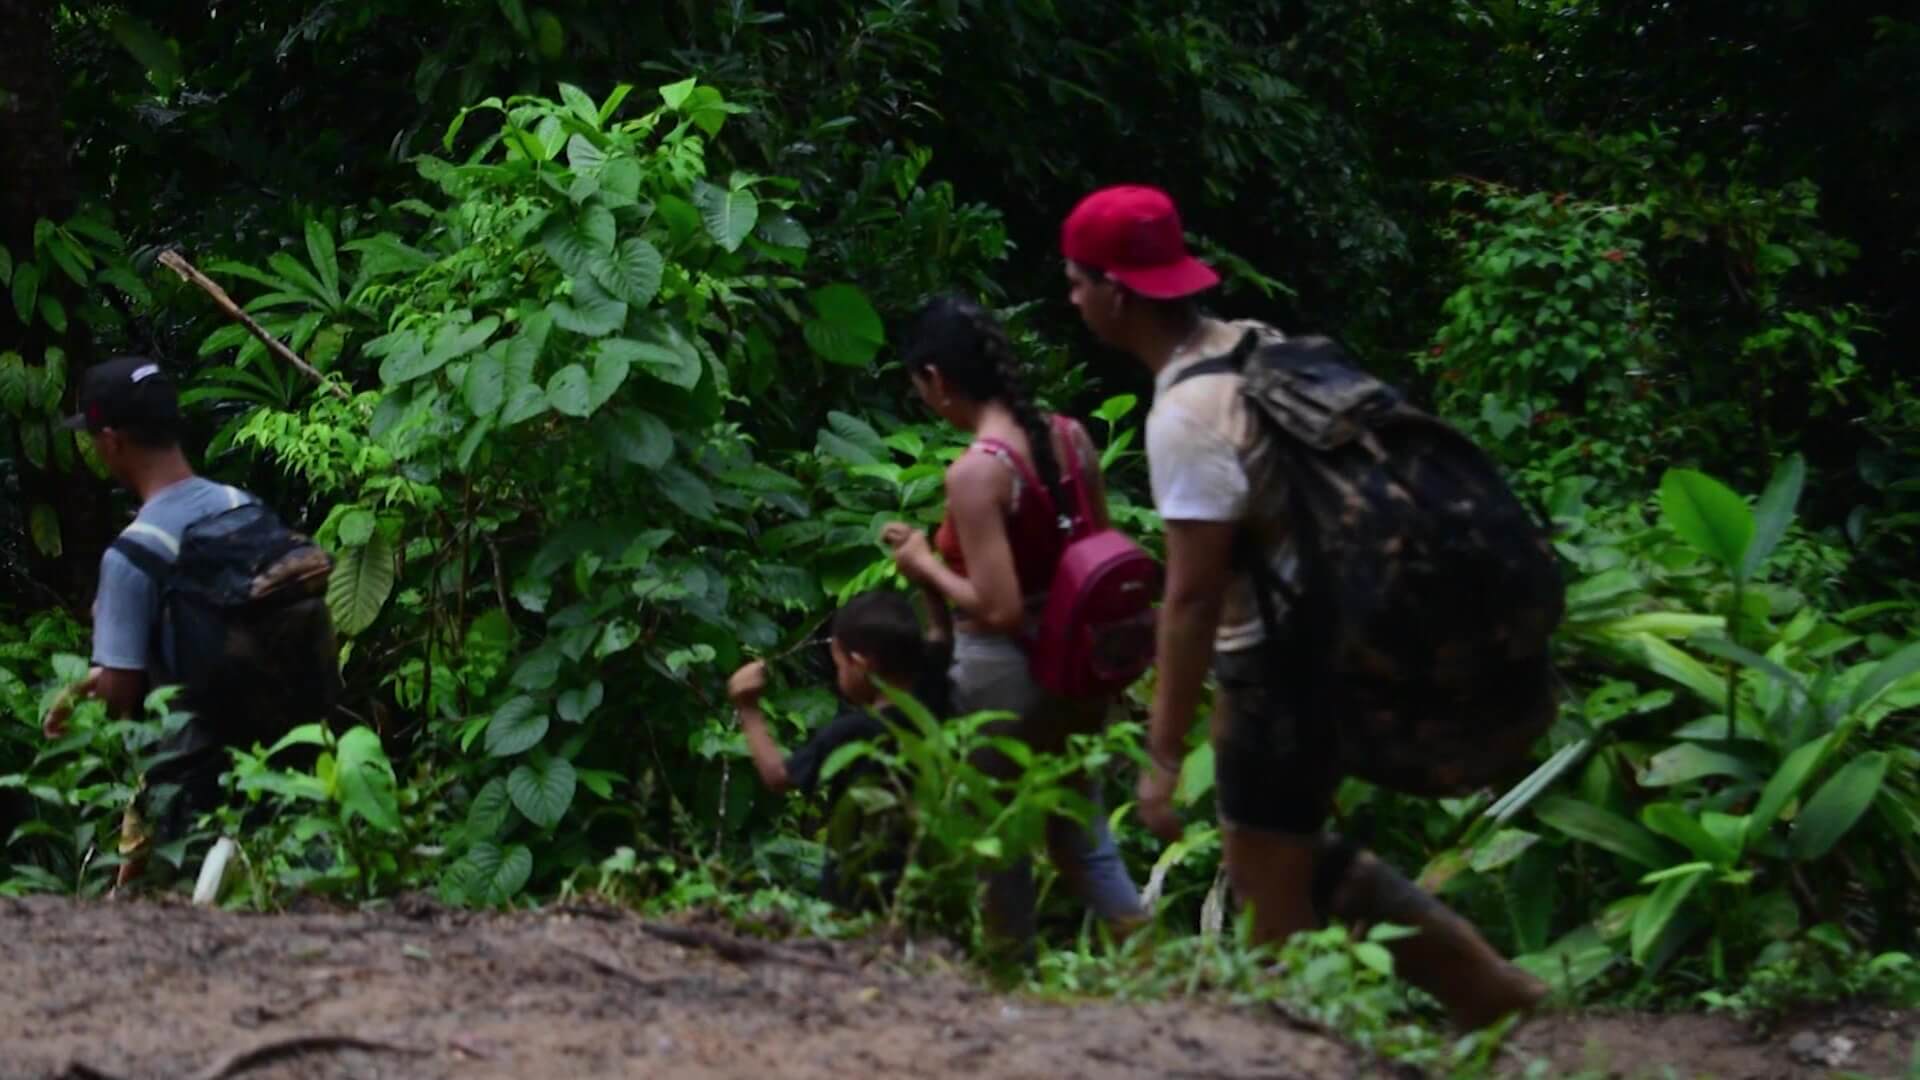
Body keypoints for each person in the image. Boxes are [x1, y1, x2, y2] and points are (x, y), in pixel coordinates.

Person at [1058, 184, 1547, 1030]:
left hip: (1275, 676)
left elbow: (1193, 595)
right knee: (1293, 852)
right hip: (1334, 642)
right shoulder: (1258, 346)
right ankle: (1492, 993)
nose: (1071, 299)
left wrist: (1163, 753)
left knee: (1267, 913)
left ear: (1116, 291)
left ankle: (1304, 1042)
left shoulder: (1185, 416)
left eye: (1075, 281)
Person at [877, 294, 1147, 954]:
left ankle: (1009, 981)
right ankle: (1146, 956)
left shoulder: (977, 473)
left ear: (937, 380)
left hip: (1004, 674)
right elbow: (1099, 549)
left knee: (998, 842)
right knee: (1079, 834)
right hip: (1079, 665)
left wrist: (922, 564)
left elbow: (994, 606)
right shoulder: (1070, 437)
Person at [40, 356, 289, 888]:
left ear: (111, 441)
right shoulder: (247, 508)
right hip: (286, 760)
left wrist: (76, 700)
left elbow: (120, 693)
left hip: (188, 784)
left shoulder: (134, 555)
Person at [727, 589, 949, 909]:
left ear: (860, 664)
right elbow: (941, 635)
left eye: (839, 665)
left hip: (854, 888)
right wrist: (925, 578)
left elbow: (777, 776)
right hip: (921, 883)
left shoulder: (855, 731)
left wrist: (748, 707)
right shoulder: (934, 694)